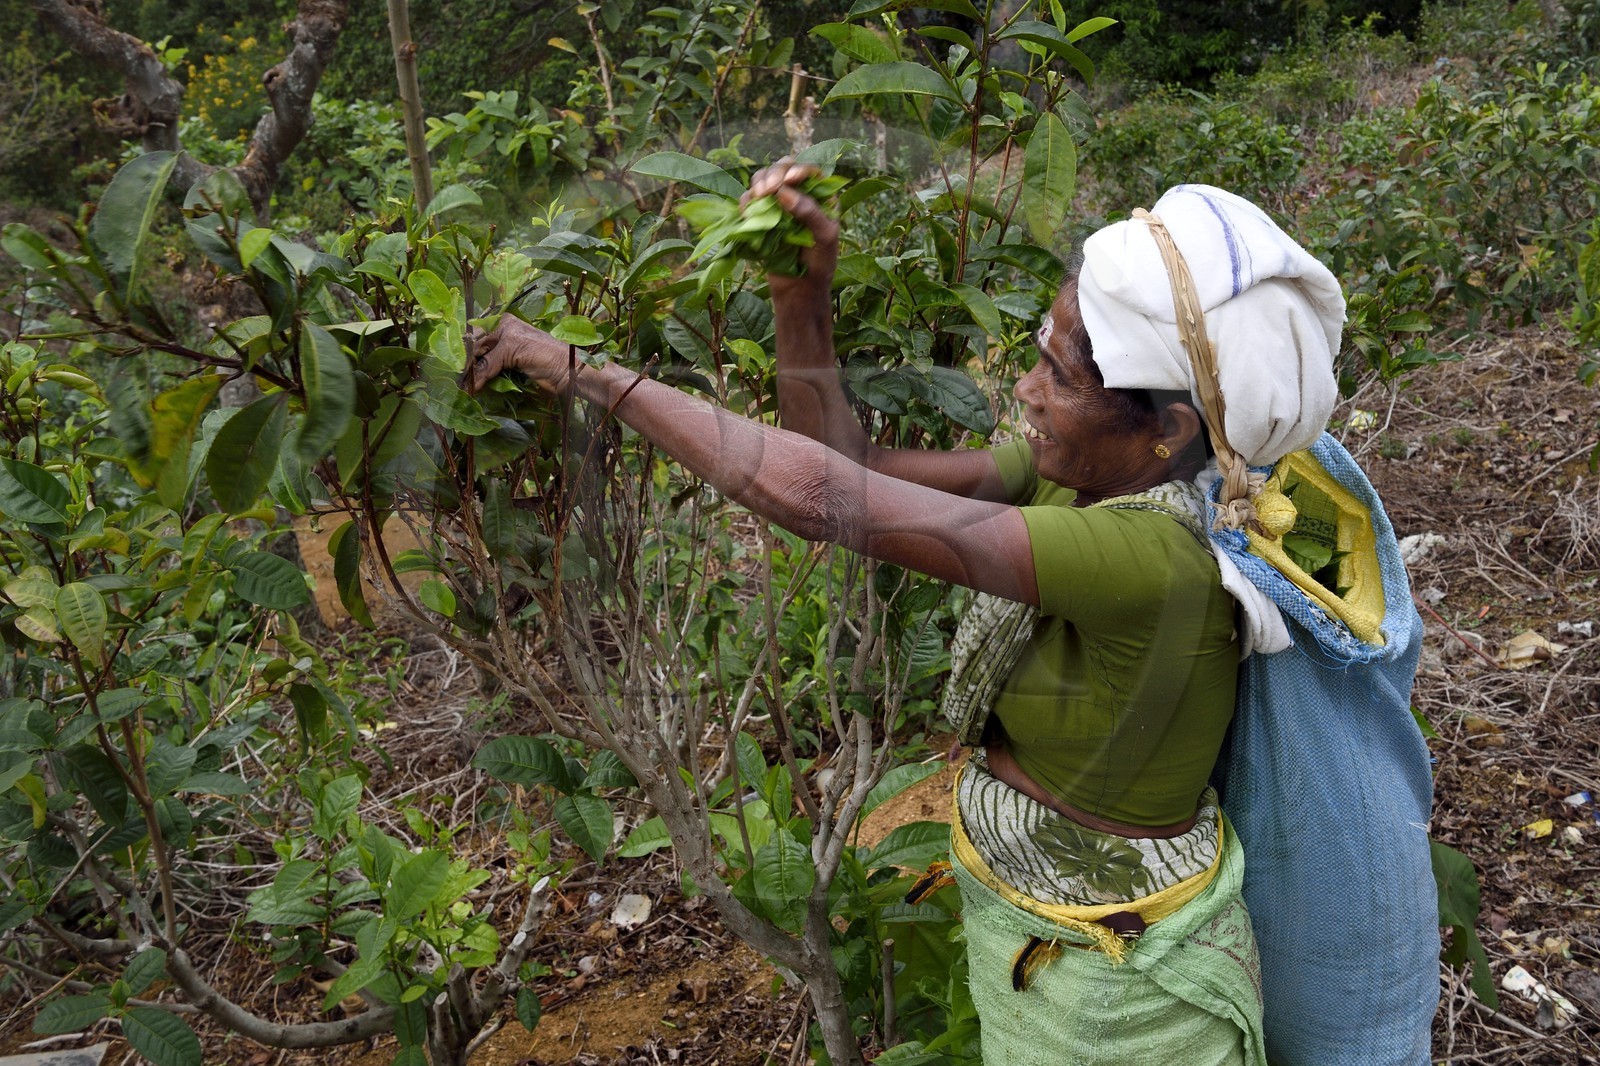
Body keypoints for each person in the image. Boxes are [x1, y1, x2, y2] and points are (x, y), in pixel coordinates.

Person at [470, 172, 1358, 1066]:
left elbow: (823, 495)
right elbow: (849, 459)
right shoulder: (1084, 475)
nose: (1024, 388)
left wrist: (578, 370)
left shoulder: (1157, 559)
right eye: (1039, 353)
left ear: (1166, 429)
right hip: (1048, 937)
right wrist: (802, 295)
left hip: (1117, 988)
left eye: (1058, 374)